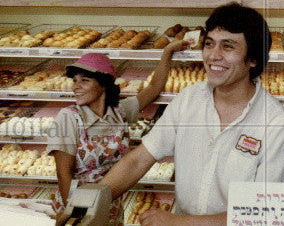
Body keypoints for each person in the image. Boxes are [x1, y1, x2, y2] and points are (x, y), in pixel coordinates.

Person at [100, 2, 284, 226]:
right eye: (209, 44)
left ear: (253, 59)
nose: (213, 56)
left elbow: (267, 209)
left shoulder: (275, 124)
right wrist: (89, 201)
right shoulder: (188, 100)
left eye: (228, 46)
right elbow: (138, 161)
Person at [47, 41, 185, 214]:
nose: (76, 86)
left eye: (84, 80)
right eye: (74, 81)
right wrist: (76, 214)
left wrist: (167, 52)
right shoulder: (68, 118)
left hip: (110, 205)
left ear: (103, 83)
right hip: (76, 205)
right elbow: (63, 174)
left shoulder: (120, 112)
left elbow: (154, 87)